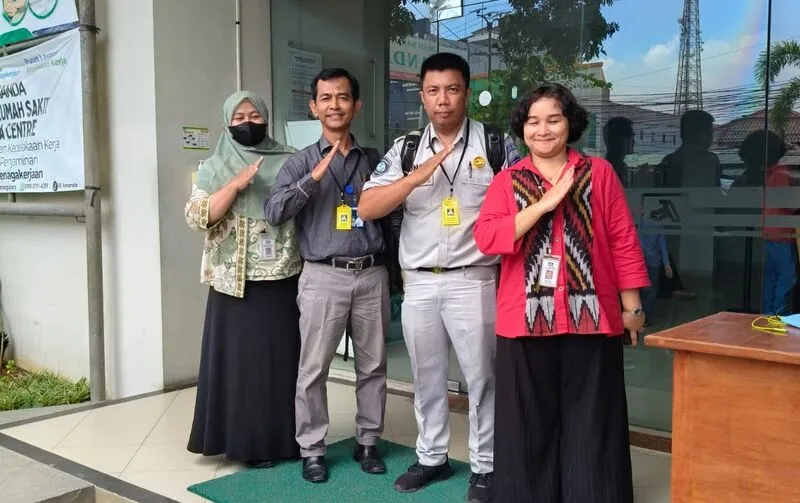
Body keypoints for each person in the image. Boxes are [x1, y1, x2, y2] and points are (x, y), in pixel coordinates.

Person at [473, 83, 649, 503]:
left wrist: (632, 308)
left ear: (570, 124)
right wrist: (543, 204)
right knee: (526, 426)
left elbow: (623, 240)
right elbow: (488, 238)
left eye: (553, 119)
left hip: (592, 318)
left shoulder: (599, 173)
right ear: (522, 128)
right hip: (524, 322)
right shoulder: (506, 181)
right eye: (533, 121)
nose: (543, 130)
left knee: (593, 421)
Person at [358, 52, 520, 502]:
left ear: (467, 93)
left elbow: (522, 205)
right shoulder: (406, 149)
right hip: (420, 281)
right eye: (433, 91)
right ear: (422, 96)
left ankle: (486, 466)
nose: (442, 99)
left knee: (483, 379)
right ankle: (431, 457)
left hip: (475, 278)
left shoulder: (494, 144)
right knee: (426, 377)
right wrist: (413, 179)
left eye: (452, 89)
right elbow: (367, 207)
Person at [264, 68, 389, 484]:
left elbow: (394, 211)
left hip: (371, 273)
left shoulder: (374, 160)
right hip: (322, 275)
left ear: (357, 105)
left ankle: (368, 441)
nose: (335, 105)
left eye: (343, 97)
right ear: (314, 107)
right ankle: (313, 448)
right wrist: (314, 177)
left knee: (373, 365)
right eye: (326, 98)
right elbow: (274, 212)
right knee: (314, 368)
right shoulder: (299, 162)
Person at [185, 91, 302, 469]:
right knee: (238, 367)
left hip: (281, 278)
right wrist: (234, 185)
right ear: (227, 123)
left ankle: (283, 440)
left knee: (278, 365)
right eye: (238, 117)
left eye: (254, 115)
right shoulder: (214, 166)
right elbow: (197, 217)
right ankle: (240, 442)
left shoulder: (290, 159)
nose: (247, 122)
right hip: (232, 284)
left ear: (266, 118)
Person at [733, 130, 797, 315]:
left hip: (769, 232)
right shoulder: (782, 174)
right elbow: (788, 203)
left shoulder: (768, 175)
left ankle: (768, 311)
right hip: (782, 234)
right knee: (787, 276)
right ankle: (779, 313)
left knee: (770, 275)